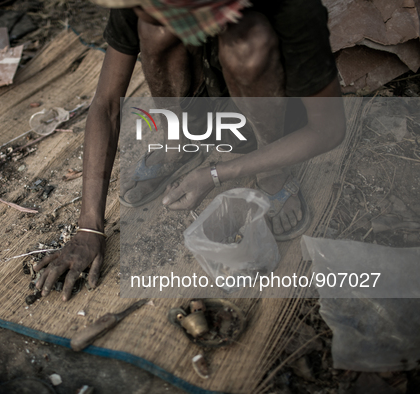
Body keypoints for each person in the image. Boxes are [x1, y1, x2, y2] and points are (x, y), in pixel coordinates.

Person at [34, 0, 346, 301]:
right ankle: (177, 141)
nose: (137, 8)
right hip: (201, 105)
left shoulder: (292, 7)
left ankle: (270, 169)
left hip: (271, 112)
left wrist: (215, 174)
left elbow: (328, 130)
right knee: (154, 30)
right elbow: (105, 104)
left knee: (248, 43)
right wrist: (90, 224)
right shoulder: (147, 4)